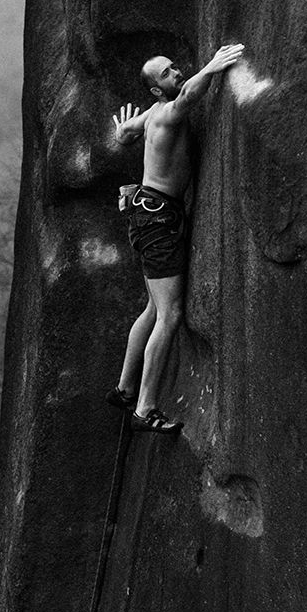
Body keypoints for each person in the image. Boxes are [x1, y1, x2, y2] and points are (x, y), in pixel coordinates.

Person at [109, 44, 245, 434]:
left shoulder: (152, 113)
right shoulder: (166, 112)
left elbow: (127, 132)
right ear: (156, 90)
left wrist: (121, 134)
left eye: (174, 67)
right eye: (167, 73)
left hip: (148, 216)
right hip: (156, 221)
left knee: (154, 309)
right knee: (170, 315)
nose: (177, 73)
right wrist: (213, 67)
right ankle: (144, 409)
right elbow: (187, 97)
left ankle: (123, 390)